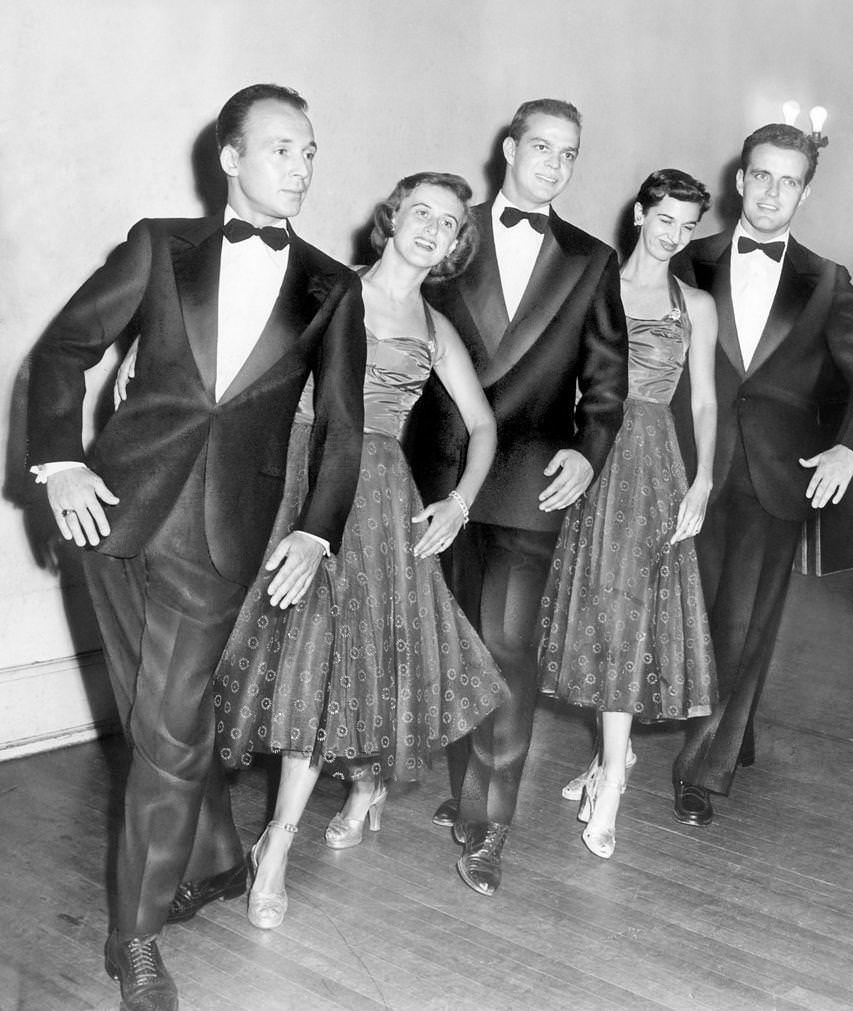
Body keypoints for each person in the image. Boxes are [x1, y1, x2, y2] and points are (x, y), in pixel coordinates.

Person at [27, 84, 367, 1011]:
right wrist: (58, 459)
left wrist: (314, 528)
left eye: (309, 150)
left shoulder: (333, 288)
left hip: (219, 539)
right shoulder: (158, 245)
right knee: (162, 729)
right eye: (282, 147)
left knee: (169, 731)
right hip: (110, 514)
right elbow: (61, 350)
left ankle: (133, 936)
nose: (301, 165)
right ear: (230, 157)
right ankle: (215, 857)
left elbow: (345, 427)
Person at [205, 171, 508, 929]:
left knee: (344, 659)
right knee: (302, 657)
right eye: (422, 212)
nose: (433, 228)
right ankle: (350, 794)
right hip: (297, 477)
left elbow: (484, 427)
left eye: (449, 223)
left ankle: (278, 844)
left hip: (377, 498)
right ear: (392, 217)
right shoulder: (328, 289)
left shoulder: (435, 327)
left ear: (456, 244)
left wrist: (461, 501)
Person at [406, 99, 629, 895]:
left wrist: (589, 450)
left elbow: (607, 384)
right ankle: (468, 787)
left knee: (507, 647)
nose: (555, 164)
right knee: (457, 644)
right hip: (433, 476)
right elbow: (364, 301)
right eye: (542, 147)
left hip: (531, 478)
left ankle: (492, 822)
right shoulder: (441, 227)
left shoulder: (590, 260)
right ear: (509, 146)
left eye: (570, 154)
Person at [668, 124, 853, 826]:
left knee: (742, 621)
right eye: (760, 176)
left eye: (787, 180)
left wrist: (849, 449)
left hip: (777, 475)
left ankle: (703, 771)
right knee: (689, 615)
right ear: (739, 180)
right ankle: (737, 726)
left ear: (804, 190)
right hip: (687, 466)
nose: (771, 192)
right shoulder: (684, 257)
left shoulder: (827, 282)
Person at [538, 169, 718, 859]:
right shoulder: (597, 285)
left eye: (686, 225)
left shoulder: (694, 304)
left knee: (630, 607)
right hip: (594, 453)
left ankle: (612, 776)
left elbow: (702, 399)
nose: (673, 235)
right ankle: (609, 758)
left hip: (655, 464)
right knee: (596, 610)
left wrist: (702, 479)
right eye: (664, 218)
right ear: (640, 212)